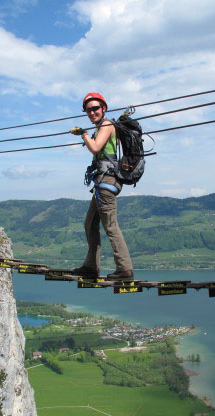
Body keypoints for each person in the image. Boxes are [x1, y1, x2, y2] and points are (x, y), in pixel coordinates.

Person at [70, 92, 133, 281]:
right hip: (101, 183)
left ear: (104, 108)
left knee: (110, 226)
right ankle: (91, 266)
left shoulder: (106, 125)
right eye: (88, 110)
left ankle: (125, 269)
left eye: (95, 108)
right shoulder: (102, 127)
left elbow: (96, 148)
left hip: (107, 183)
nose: (91, 112)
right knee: (90, 224)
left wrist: (83, 135)